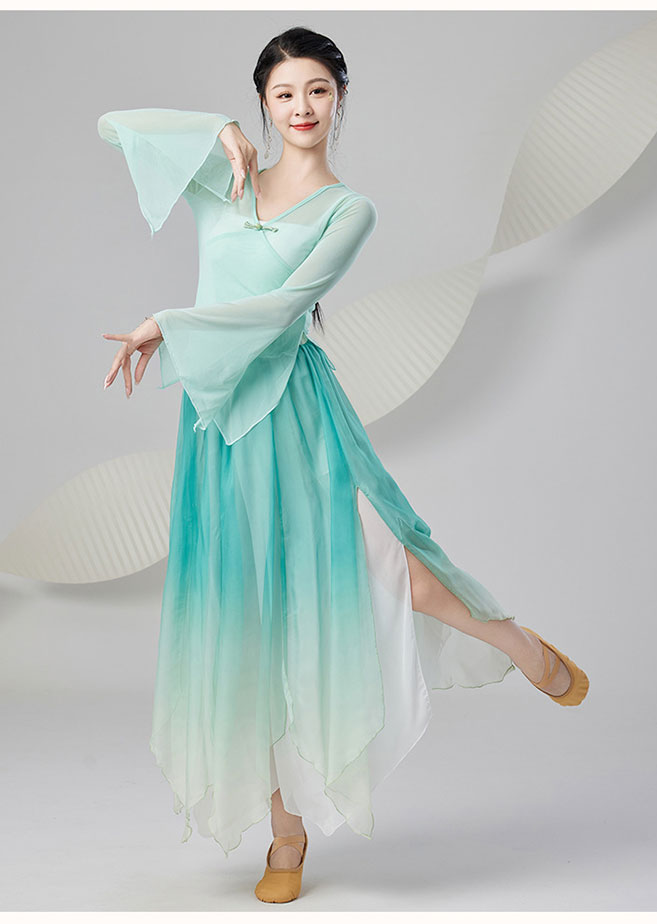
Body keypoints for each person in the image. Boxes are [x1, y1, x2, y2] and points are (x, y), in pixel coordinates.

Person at [98, 25, 589, 905]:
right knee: (254, 623)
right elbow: (116, 124)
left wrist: (168, 323)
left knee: (405, 575)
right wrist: (214, 129)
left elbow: (282, 308)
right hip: (219, 424)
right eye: (284, 94)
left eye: (318, 91)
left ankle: (520, 645)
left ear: (340, 98)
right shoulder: (222, 179)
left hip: (294, 414)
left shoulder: (346, 210)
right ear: (263, 102)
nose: (302, 108)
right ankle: (285, 837)